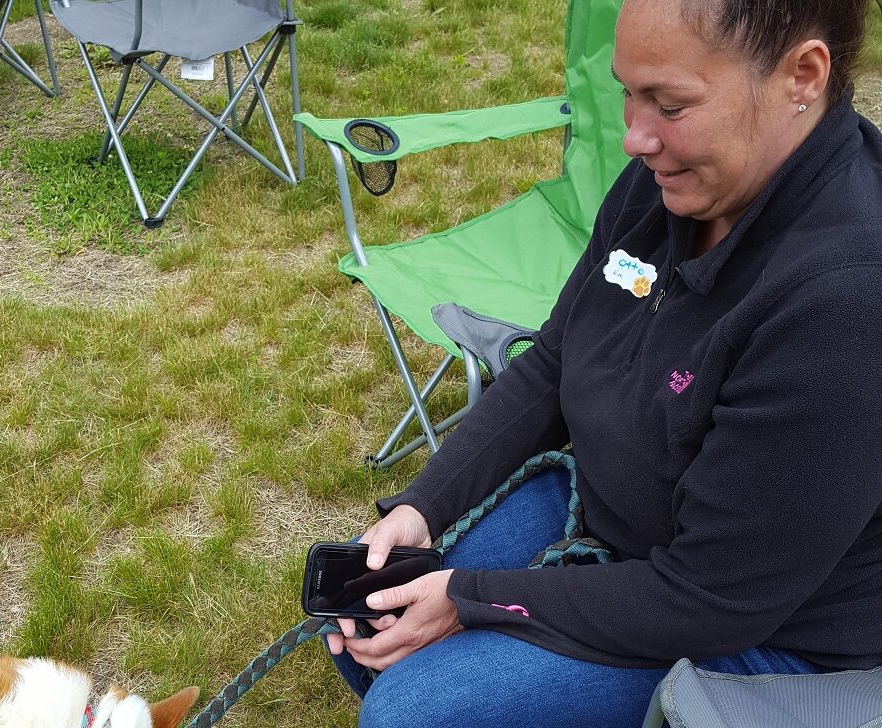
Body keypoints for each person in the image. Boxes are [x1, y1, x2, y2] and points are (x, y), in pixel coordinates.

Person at [327, 0, 882, 725]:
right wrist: (423, 506)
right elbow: (555, 358)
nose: (634, 137)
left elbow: (712, 596)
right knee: (368, 619)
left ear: (802, 74)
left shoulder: (844, 297)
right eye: (628, 92)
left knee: (413, 711)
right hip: (617, 521)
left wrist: (469, 599)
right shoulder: (676, 180)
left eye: (670, 104)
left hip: (759, 632)